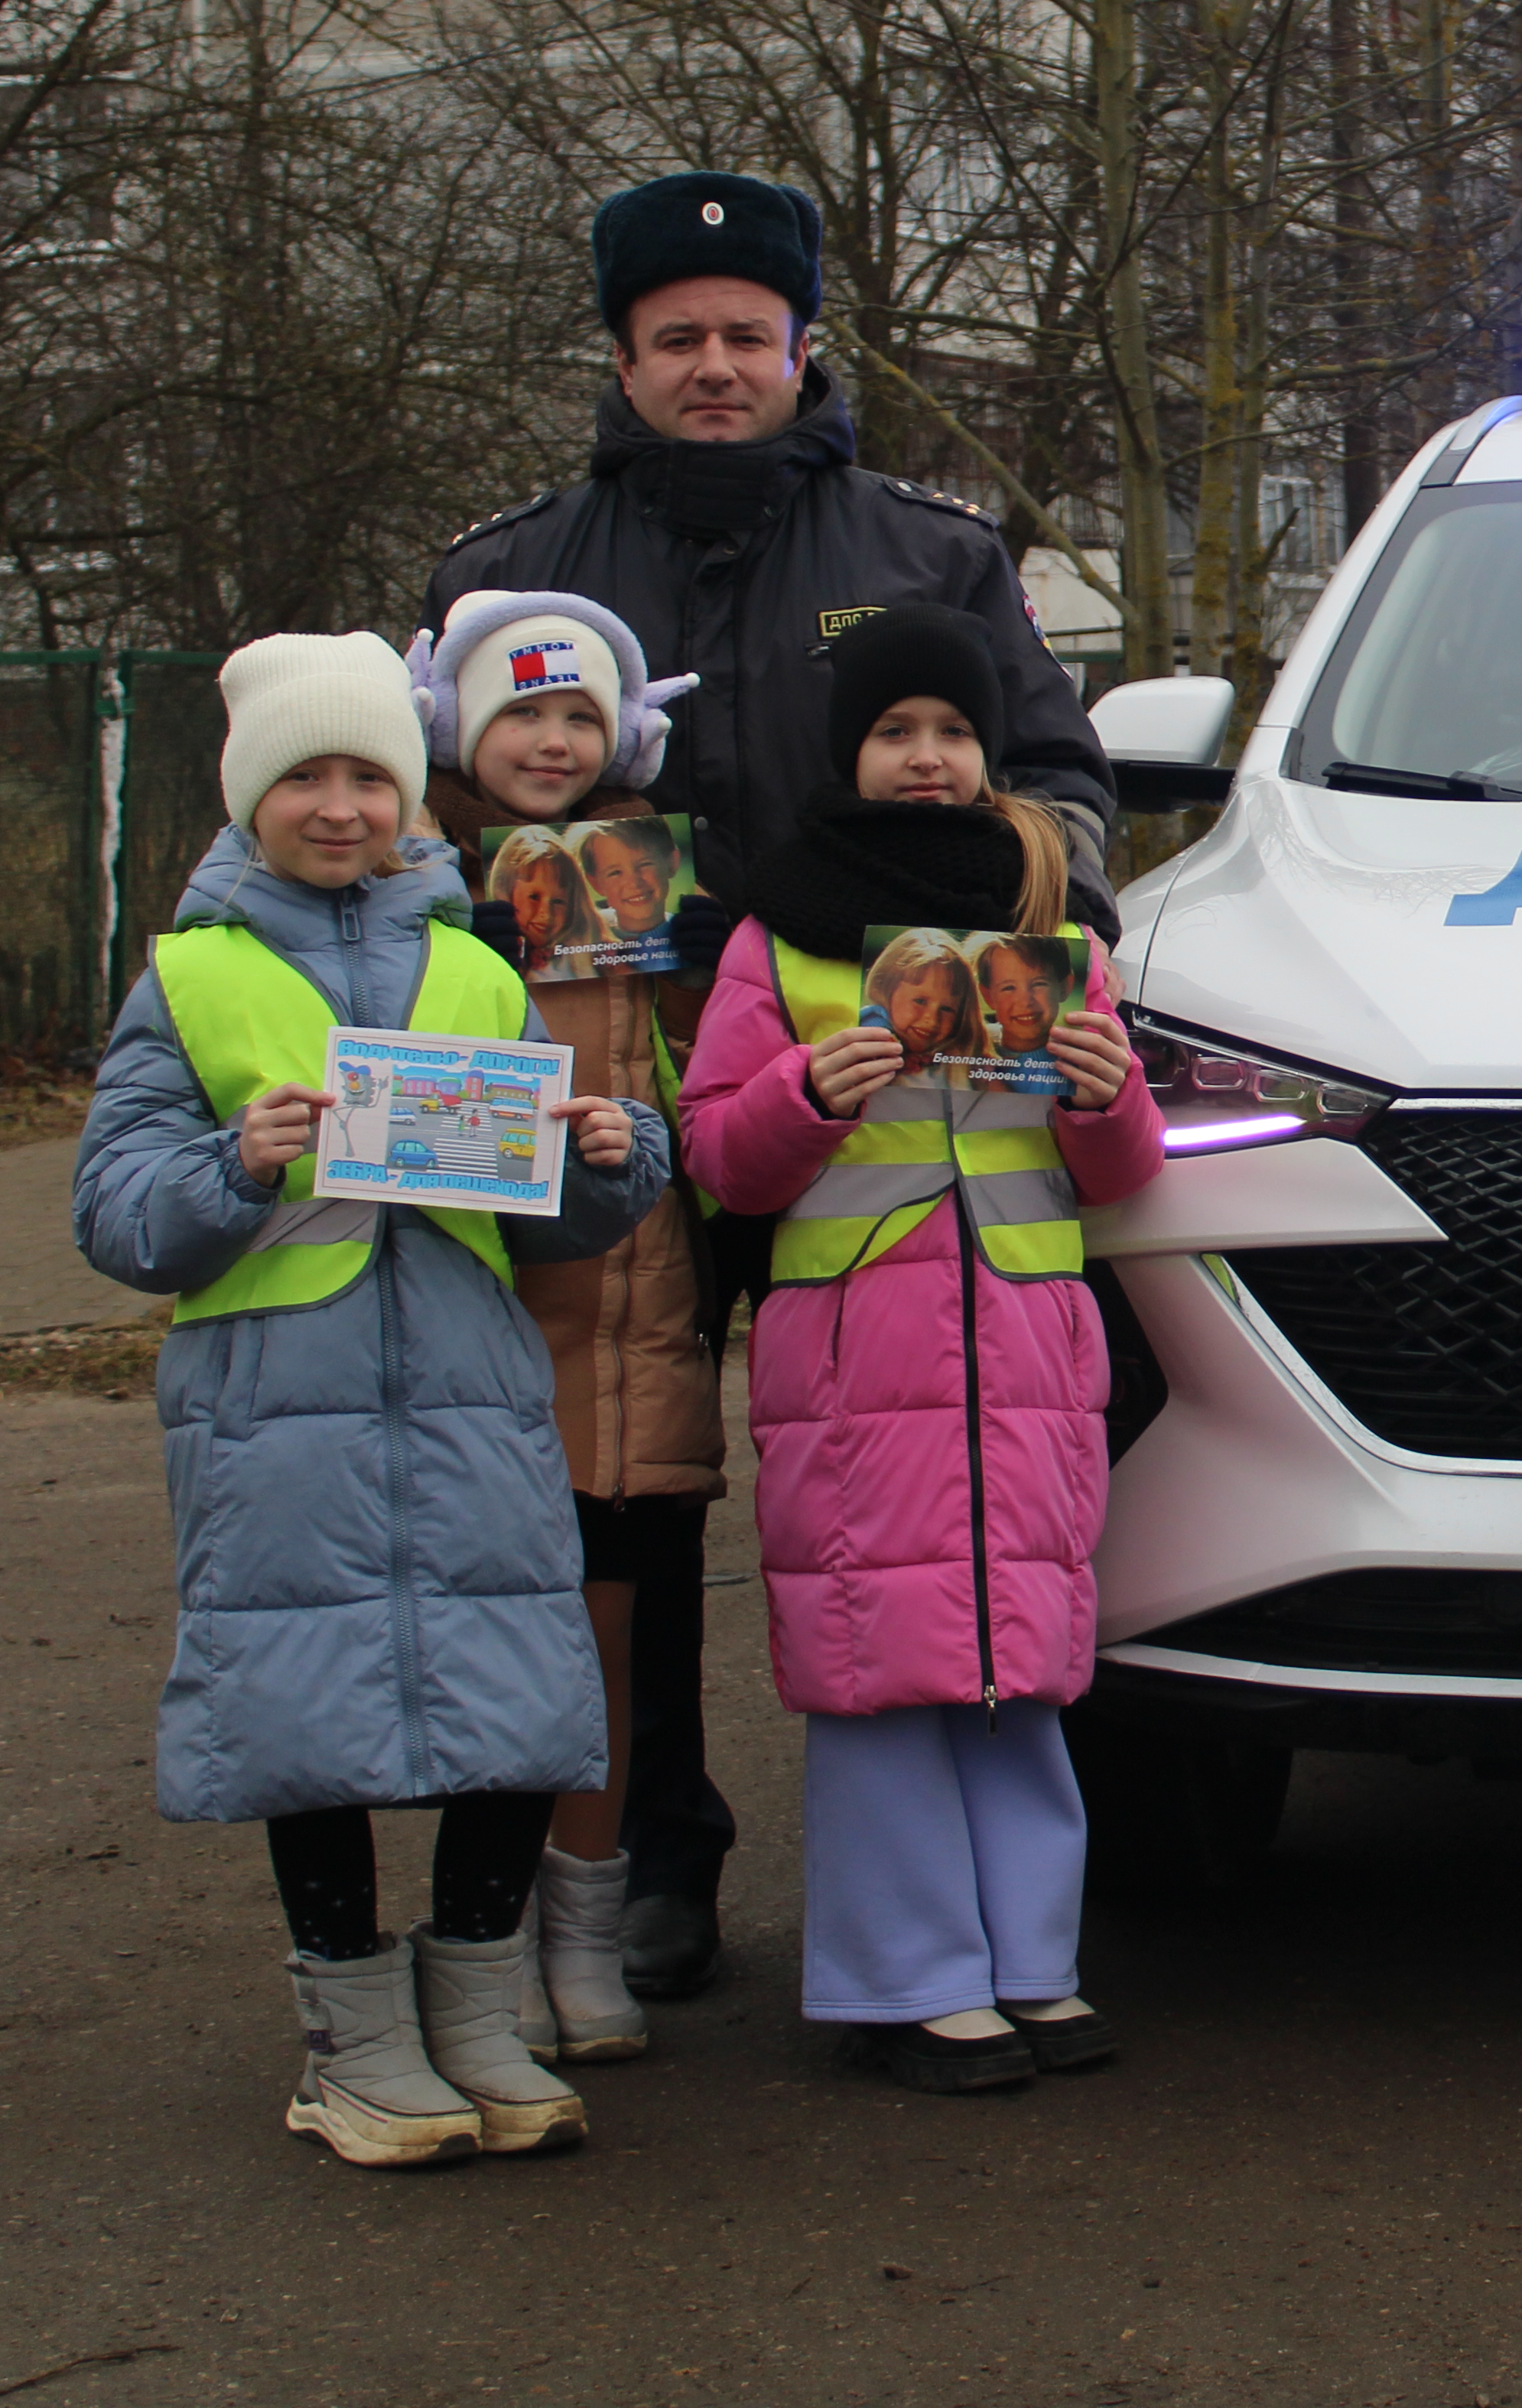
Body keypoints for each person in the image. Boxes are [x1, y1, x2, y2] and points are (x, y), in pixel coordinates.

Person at [424, 170, 1122, 2000]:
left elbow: (1061, 779)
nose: (715, 368)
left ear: (802, 345)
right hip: (611, 1119)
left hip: (886, 1110)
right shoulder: (515, 570)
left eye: (748, 335)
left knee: (906, 1483)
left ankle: (968, 1896)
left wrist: (1018, 942)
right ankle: (645, 1857)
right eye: (679, 340)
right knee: (624, 1499)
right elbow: (438, 831)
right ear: (623, 354)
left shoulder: (928, 553)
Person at [70, 632, 664, 2168]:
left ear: (410, 799)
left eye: (367, 779)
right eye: (303, 779)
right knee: (305, 1709)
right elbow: (119, 1213)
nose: (338, 808)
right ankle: (352, 2038)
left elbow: (543, 1214)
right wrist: (232, 1160)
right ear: (249, 796)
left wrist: (608, 1161)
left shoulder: (473, 963)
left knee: (515, 1705)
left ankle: (475, 2011)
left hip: (469, 1390)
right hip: (279, 1402)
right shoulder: (188, 976)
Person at [676, 605, 1166, 2093]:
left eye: (952, 731)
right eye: (897, 731)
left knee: (1018, 1667)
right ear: (852, 753)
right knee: (880, 1676)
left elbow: (1126, 1169)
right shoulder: (780, 929)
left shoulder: (1056, 936)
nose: (928, 756)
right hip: (852, 1369)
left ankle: (1031, 1963)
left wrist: (1098, 1090)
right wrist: (806, 1088)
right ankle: (908, 1978)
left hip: (1023, 1361)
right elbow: (717, 1156)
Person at [408, 587, 721, 2069]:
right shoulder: (398, 871)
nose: (548, 740)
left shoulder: (664, 882)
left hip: (630, 1312)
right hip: (470, 1310)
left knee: (611, 1632)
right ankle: (483, 1933)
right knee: (487, 1646)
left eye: (577, 713)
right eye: (520, 711)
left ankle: (586, 1937)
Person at [482, 823, 607, 978]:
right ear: (505, 890)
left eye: (558, 901)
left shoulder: (583, 950)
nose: (547, 914)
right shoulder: (489, 951)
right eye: (534, 897)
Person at [860, 925, 986, 1077]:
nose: (932, 1021)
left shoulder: (955, 1052)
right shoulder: (873, 1022)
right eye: (920, 1001)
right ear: (885, 989)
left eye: (947, 1009)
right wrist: (894, 1055)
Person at [971, 931, 1070, 1064]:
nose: (1025, 1002)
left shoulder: (1076, 1061)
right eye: (1009, 988)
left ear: (1064, 988)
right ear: (988, 996)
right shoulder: (970, 1053)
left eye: (1039, 984)